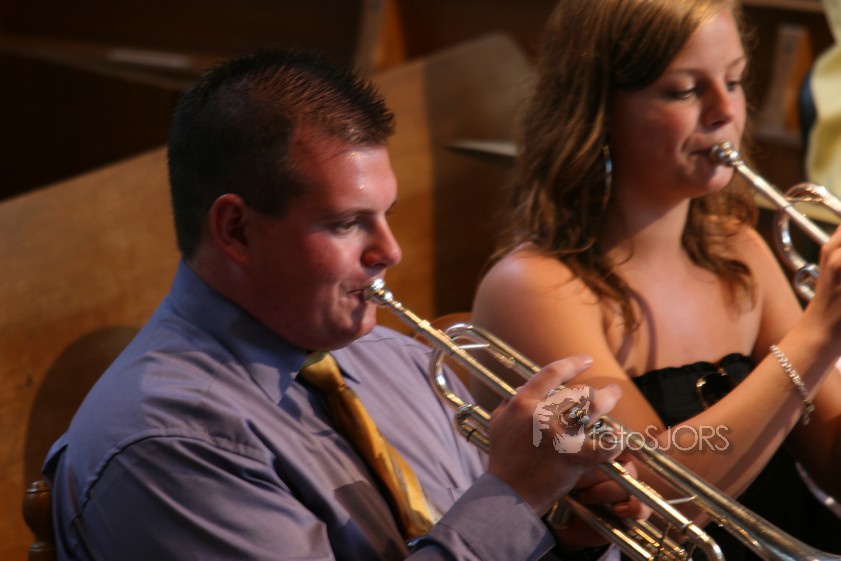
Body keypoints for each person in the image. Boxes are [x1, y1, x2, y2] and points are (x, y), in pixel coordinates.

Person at [41, 48, 644, 561]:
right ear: (236, 231)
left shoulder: (392, 357)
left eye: (386, 215)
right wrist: (513, 496)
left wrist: (567, 535)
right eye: (346, 224)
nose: (390, 251)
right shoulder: (168, 443)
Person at [471, 1, 841, 560]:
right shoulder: (532, 289)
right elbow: (656, 504)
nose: (725, 111)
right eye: (685, 91)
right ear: (598, 110)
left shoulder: (738, 250)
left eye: (734, 81)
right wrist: (819, 336)